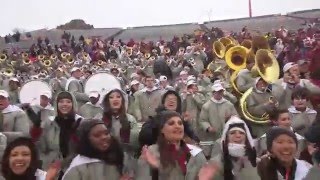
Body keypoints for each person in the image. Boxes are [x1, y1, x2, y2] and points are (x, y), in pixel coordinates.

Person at [136, 110, 207, 179]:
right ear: (161, 129)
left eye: (180, 123)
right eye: (171, 123)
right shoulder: (151, 153)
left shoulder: (196, 153)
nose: (177, 126)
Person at [30, 91, 83, 171]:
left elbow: (85, 148)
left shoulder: (80, 122)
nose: (64, 104)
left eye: (68, 102)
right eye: (61, 102)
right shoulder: (49, 122)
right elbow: (41, 147)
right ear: (56, 104)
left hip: (76, 168)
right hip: (53, 168)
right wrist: (36, 129)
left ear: (73, 104)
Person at [61, 120, 131, 180]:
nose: (104, 137)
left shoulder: (118, 156)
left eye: (106, 133)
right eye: (97, 135)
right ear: (86, 140)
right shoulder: (78, 167)